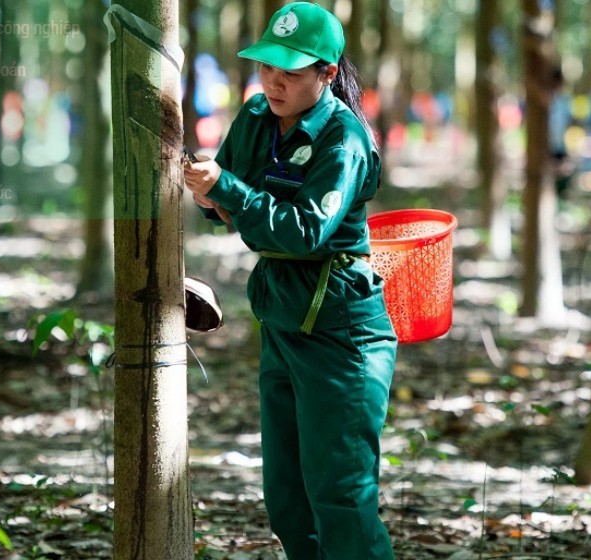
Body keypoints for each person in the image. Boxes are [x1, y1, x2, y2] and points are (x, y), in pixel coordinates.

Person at [182, 3, 397, 559]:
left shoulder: (343, 139)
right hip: (282, 315)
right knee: (287, 496)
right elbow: (226, 198)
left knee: (342, 496)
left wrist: (227, 191)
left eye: (291, 72)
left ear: (326, 74)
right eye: (267, 67)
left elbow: (305, 231)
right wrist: (212, 191)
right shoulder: (256, 117)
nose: (274, 81)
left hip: (340, 330)